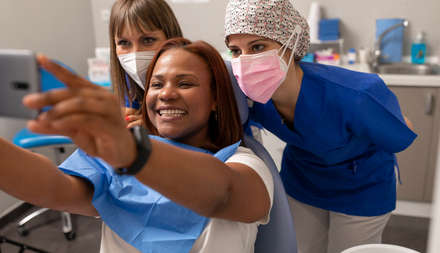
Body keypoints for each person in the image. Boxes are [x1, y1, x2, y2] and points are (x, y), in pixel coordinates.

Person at [0, 38, 273, 253]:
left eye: (185, 83)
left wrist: (133, 152)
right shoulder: (116, 149)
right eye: (156, 84)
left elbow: (222, 193)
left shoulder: (245, 163)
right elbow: (53, 188)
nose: (166, 94)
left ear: (215, 99)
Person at [223, 0, 417, 252]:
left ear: (290, 44)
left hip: (361, 188)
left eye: (258, 46)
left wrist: (386, 115)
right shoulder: (249, 97)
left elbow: (400, 136)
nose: (245, 61)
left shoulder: (355, 95)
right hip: (303, 181)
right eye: (235, 51)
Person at [108, 0, 183, 128]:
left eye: (148, 40)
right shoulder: (128, 79)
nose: (135, 53)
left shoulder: (192, 75)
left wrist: (155, 126)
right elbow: (128, 116)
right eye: (124, 43)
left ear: (170, 38)